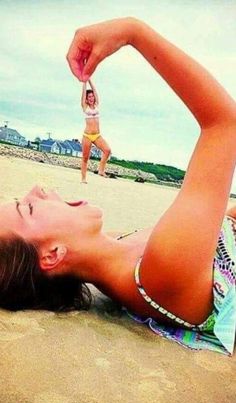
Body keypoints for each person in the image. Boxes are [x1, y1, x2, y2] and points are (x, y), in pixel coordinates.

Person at [0, 18, 236, 355]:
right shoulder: (161, 271)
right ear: (52, 255)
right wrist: (133, 32)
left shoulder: (125, 255)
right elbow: (224, 124)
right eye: (29, 207)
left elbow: (221, 219)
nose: (39, 189)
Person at [80, 78, 111, 183]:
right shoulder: (85, 107)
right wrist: (84, 82)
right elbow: (83, 93)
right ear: (86, 99)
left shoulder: (96, 105)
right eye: (89, 96)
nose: (92, 98)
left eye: (92, 96)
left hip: (97, 136)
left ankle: (101, 170)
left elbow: (95, 91)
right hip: (87, 136)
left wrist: (89, 80)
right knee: (85, 158)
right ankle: (83, 178)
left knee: (107, 150)